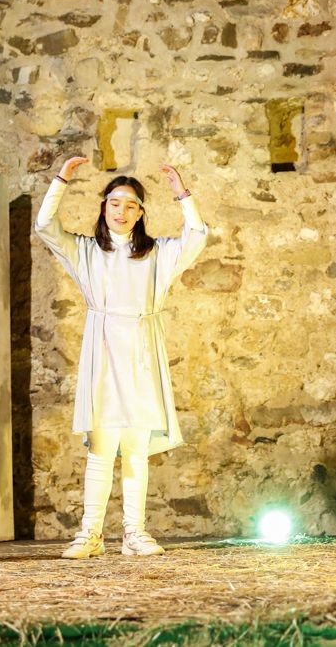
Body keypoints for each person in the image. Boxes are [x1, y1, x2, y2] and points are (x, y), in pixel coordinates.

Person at [35, 156, 208, 559]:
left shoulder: (156, 254)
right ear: (103, 207)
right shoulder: (85, 251)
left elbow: (197, 234)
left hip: (142, 352)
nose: (122, 211)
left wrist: (182, 193)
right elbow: (45, 226)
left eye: (131, 205)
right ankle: (90, 534)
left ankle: (134, 532)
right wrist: (61, 179)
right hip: (104, 349)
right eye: (115, 203)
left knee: (133, 446)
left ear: (142, 213)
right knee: (101, 444)